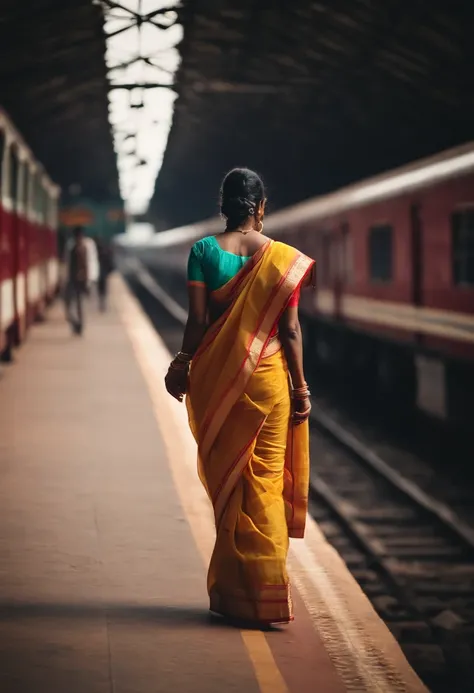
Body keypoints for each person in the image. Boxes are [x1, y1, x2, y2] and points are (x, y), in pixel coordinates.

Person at [164, 168, 316, 626]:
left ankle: (233, 594)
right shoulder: (283, 258)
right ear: (261, 207)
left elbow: (196, 320)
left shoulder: (203, 251)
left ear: (223, 206)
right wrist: (301, 387)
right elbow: (289, 330)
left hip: (219, 379)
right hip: (270, 383)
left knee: (230, 484)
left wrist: (182, 362)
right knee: (266, 484)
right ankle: (267, 594)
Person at [64, 226, 88, 334]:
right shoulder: (81, 248)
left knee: (71, 305)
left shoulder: (77, 248)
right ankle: (78, 324)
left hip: (75, 281)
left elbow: (82, 266)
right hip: (77, 281)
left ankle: (78, 325)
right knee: (77, 305)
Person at [95, 238, 113, 312]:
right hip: (104, 273)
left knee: (100, 289)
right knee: (103, 289)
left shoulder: (97, 254)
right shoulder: (106, 252)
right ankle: (102, 302)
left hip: (99, 273)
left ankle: (101, 301)